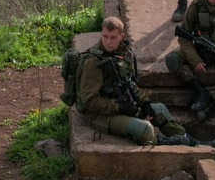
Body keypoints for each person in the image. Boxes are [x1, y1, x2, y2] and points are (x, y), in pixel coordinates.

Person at [77, 16, 188, 145]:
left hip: (119, 105)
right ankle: (168, 144)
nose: (108, 42)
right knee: (144, 129)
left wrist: (144, 102)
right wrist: (120, 108)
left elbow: (129, 83)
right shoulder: (93, 62)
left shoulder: (121, 54)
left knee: (159, 110)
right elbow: (89, 101)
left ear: (121, 37)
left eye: (113, 38)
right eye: (105, 36)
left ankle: (189, 140)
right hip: (98, 115)